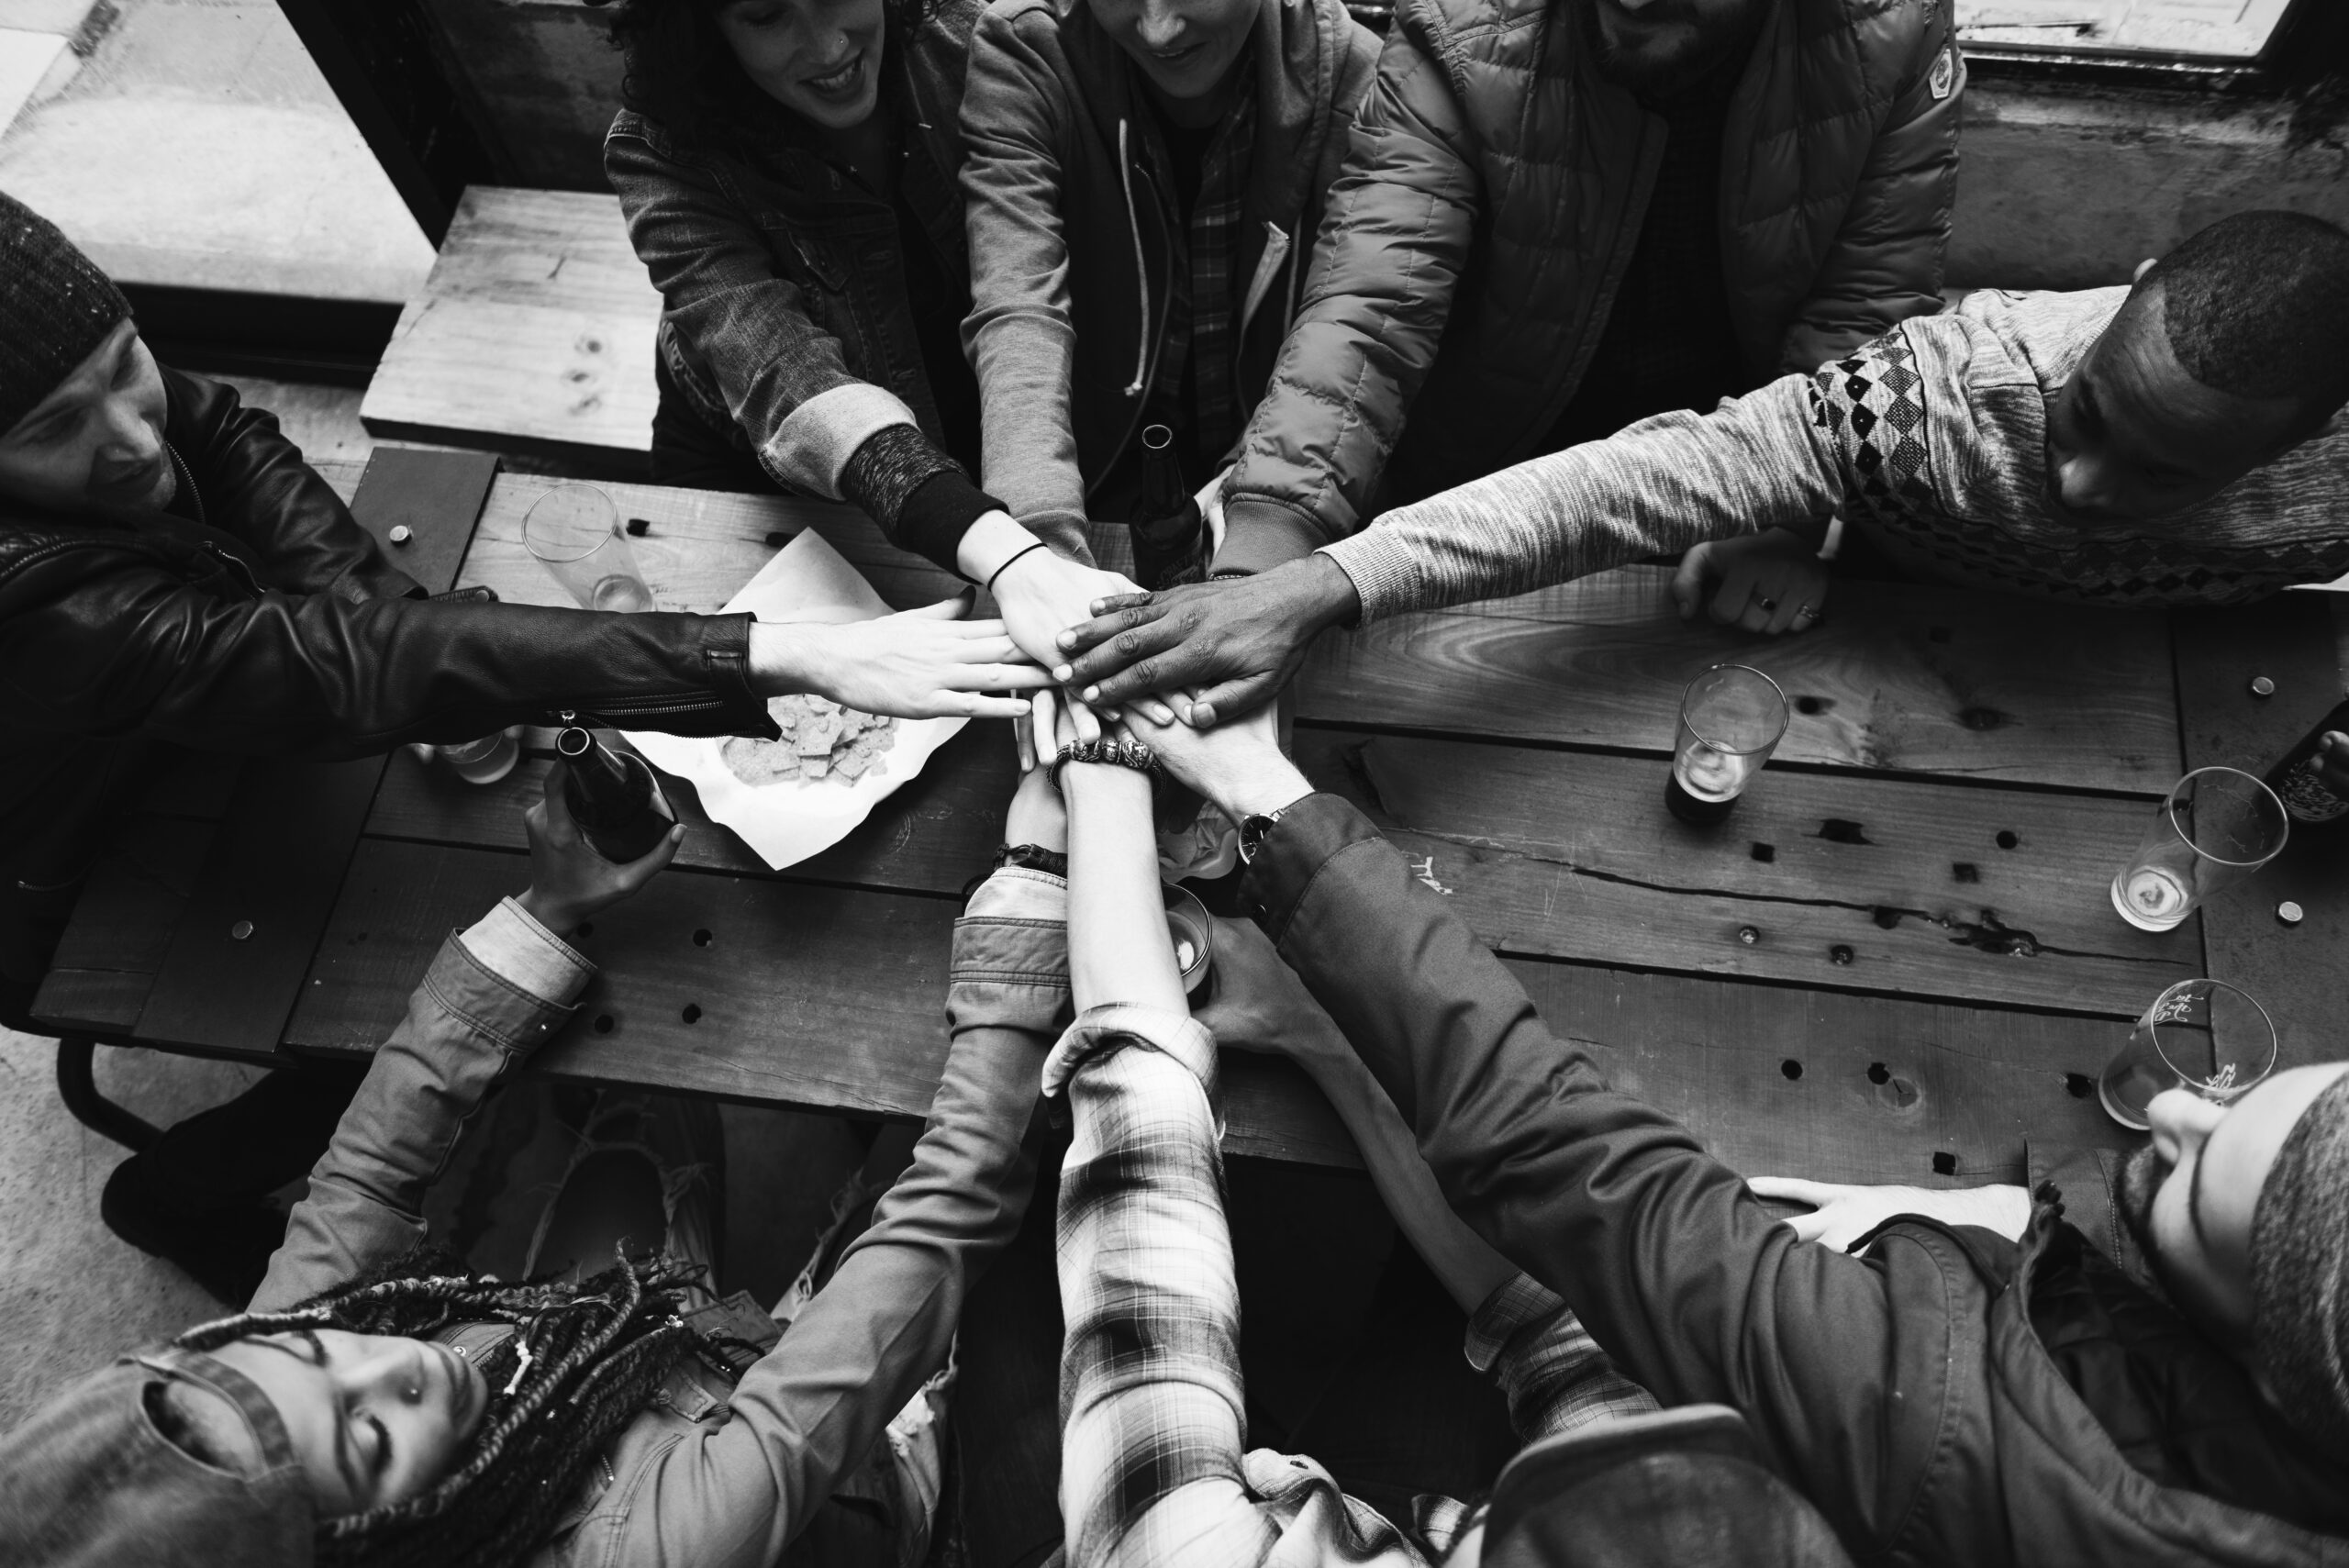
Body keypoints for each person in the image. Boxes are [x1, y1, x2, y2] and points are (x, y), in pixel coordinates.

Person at [0, 191, 1047, 1300]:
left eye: (127, 364)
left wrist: (388, 627)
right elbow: (341, 668)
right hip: (64, 870)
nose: (128, 434)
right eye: (55, 429)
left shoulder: (126, 418)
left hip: (189, 730)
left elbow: (222, 434)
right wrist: (768, 655)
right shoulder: (37, 603)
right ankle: (169, 1193)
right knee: (360, 1025)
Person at [1114, 693, 2349, 1562]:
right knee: (1570, 1324)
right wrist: (1997, 1212)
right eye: (2234, 1100)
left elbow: (1577, 1164)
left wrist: (1260, 797)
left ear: (2261, 1363)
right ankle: (1325, 1035)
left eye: (2186, 1182)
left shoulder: (1931, 1427)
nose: (2177, 1104)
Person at [0, 754, 1074, 1568]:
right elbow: (947, 1210)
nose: (402, 1359)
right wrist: (1028, 884)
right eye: (370, 1438)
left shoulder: (268, 1377)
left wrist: (547, 909)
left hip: (615, 1343)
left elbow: (366, 1178)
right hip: (827, 1482)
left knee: (637, 1106)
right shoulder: (658, 1542)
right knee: (946, 1160)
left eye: (318, 1355)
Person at [1053, 209, 2349, 727]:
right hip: (1869, 680)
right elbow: (1624, 487)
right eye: (2085, 416)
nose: (2081, 490)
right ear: (2124, 294)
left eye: (2159, 473)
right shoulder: (1932, 393)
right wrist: (1313, 585)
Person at [1032, 690, 1686, 1566]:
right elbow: (1559, 1336)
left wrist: (1102, 765)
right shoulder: (1656, 1525)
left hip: (1165, 1519)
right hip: (1401, 1515)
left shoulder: (1171, 1551)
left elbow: (1135, 1120)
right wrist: (1319, 1031)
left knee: (1012, 1279)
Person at [1186, 0, 1962, 586]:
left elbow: (1865, 303)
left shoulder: (1891, 28)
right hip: (1470, 493)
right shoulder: (1465, 21)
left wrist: (1788, 521)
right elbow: (1375, 298)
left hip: (1721, 500)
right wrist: (1268, 541)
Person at [603, 0, 1135, 669]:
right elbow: (786, 377)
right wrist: (1008, 552)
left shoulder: (969, 43)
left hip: (974, 408)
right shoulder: (659, 149)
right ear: (701, 27)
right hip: (769, 470)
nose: (827, 47)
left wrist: (1026, 547)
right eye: (766, 16)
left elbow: (1024, 296)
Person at [955, 0, 1378, 565]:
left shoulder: (1367, 81)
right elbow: (1017, 305)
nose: (1158, 31)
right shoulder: (1028, 48)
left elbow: (1355, 334)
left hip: (1285, 493)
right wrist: (1037, 549)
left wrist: (1262, 499)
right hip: (1097, 493)